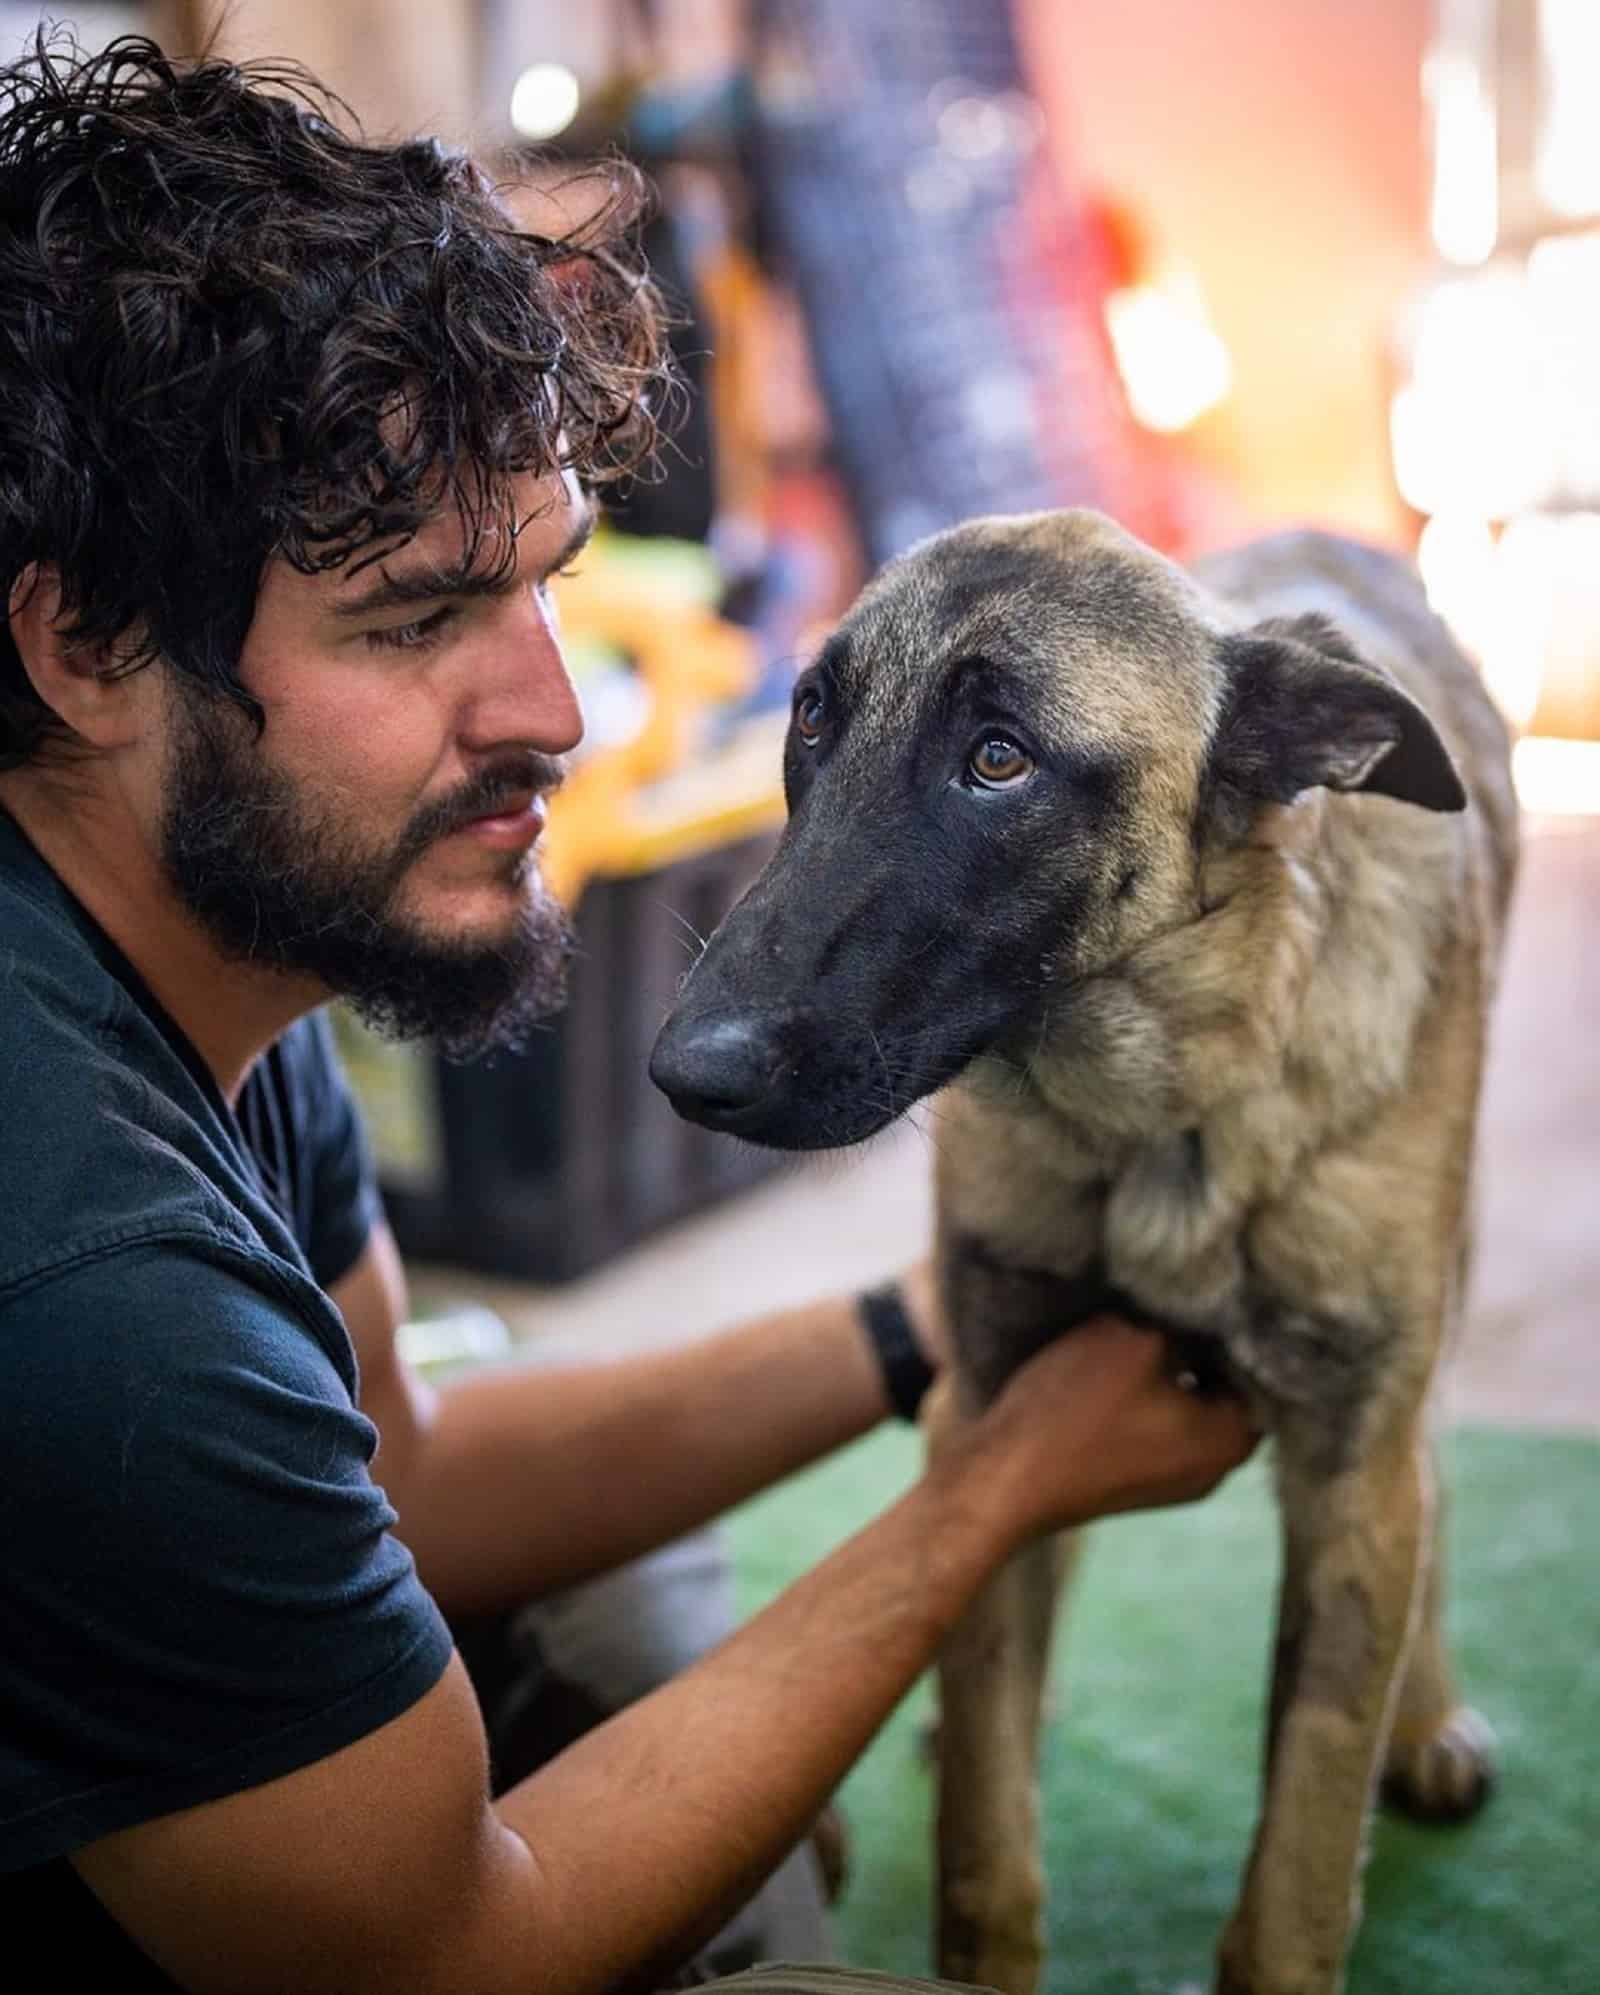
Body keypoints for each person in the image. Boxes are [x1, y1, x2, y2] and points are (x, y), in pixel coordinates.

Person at [0, 34, 1256, 1995]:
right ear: (80, 642)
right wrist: (992, 1485)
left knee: (577, 1564)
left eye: (541, 583)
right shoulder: (78, 1273)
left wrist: (923, 1332)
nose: (552, 714)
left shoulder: (207, 929)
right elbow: (444, 1956)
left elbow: (397, 1467)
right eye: (414, 620)